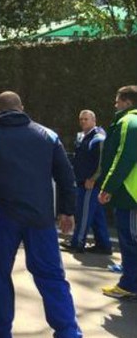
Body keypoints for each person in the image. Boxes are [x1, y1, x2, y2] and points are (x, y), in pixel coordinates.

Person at [0, 91, 82, 338]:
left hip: (2, 216)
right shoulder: (48, 135)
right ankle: (67, 331)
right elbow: (67, 178)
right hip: (41, 218)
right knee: (51, 275)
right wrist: (67, 211)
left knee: (0, 273)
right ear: (22, 107)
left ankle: (0, 331)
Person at [97, 85, 137, 300]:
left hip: (131, 194)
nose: (115, 105)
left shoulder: (128, 122)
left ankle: (129, 285)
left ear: (127, 102)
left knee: (130, 242)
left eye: (117, 101)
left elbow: (123, 158)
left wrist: (107, 187)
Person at [61, 110, 111, 254]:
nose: (83, 122)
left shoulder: (98, 138)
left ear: (94, 120)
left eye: (86, 119)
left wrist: (93, 179)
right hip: (83, 181)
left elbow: (103, 162)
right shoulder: (85, 137)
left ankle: (78, 242)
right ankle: (104, 245)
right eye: (81, 119)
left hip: (90, 183)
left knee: (84, 214)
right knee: (96, 216)